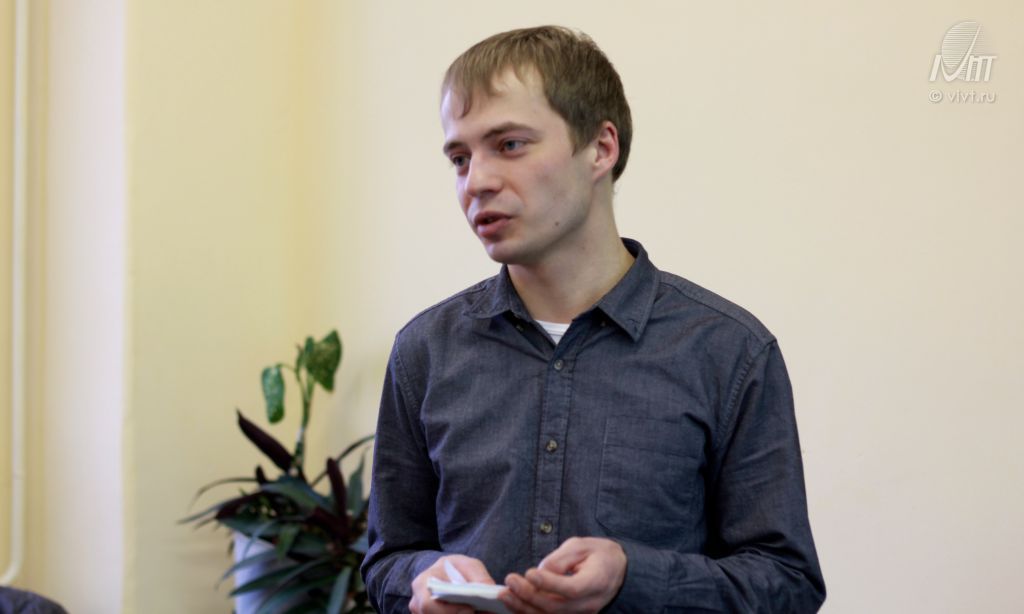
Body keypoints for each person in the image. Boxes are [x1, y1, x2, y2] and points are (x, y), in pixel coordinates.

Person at [361, 26, 825, 613]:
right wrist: (421, 578)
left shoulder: (728, 351)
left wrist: (634, 579)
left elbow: (788, 584)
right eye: (460, 157)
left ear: (601, 149)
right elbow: (387, 560)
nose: (476, 181)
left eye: (509, 144)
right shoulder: (425, 350)